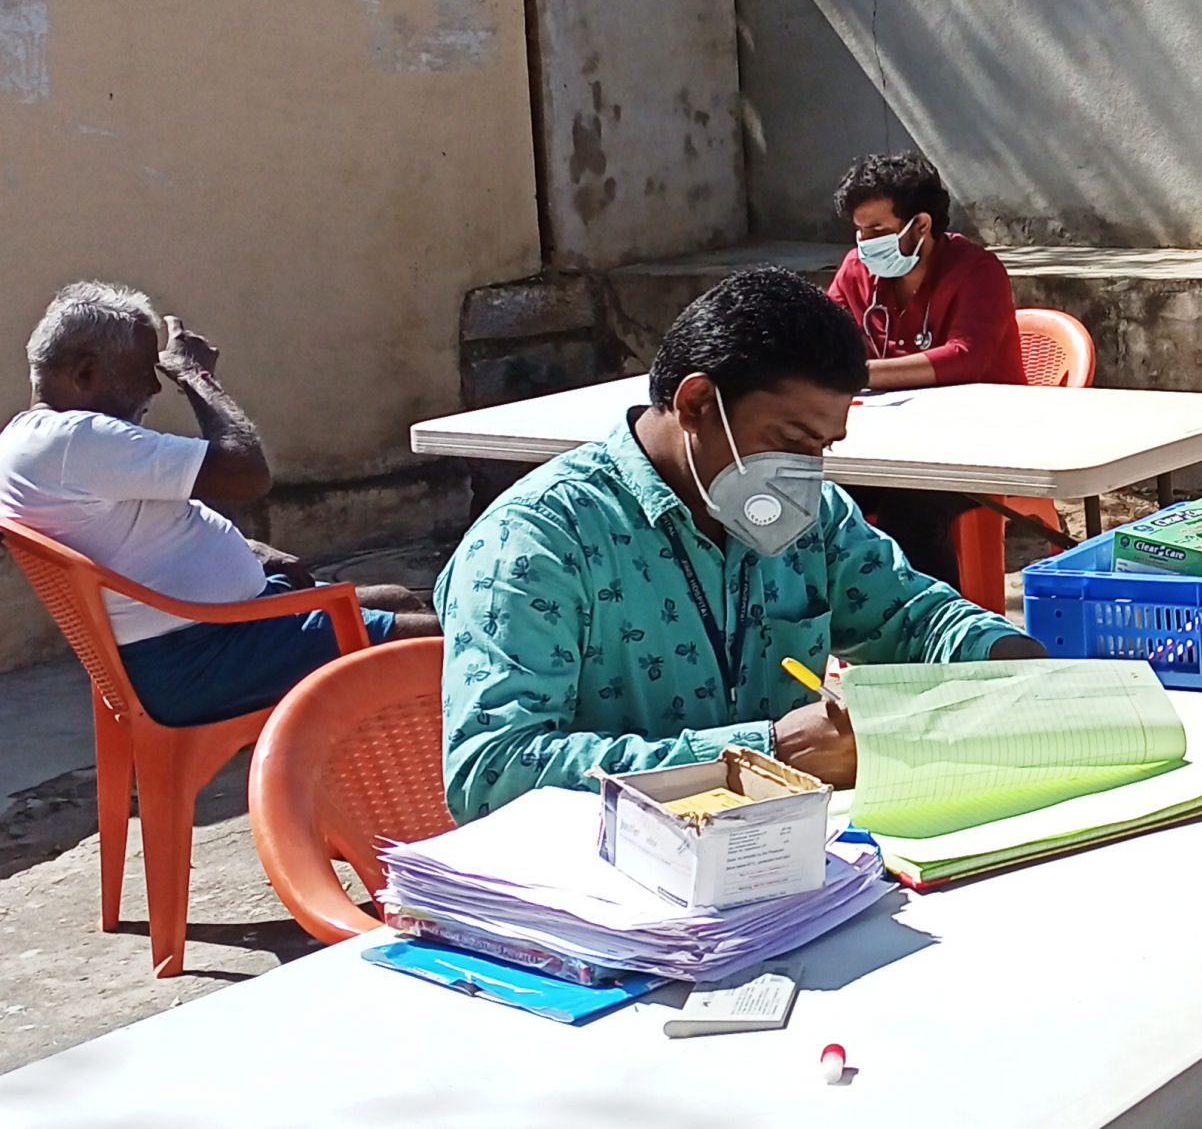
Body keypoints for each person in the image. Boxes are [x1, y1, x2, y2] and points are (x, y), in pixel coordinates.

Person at [438, 266, 1044, 822]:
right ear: (698, 404)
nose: (808, 473)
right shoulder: (538, 541)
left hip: (788, 867)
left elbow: (914, 619)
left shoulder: (811, 520)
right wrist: (766, 754)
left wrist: (1014, 662)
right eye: (792, 440)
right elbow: (491, 774)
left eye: (823, 448)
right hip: (609, 894)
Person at [0, 283, 435, 727]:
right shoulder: (79, 439)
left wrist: (247, 552)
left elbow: (128, 532)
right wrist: (196, 377)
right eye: (142, 372)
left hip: (204, 638)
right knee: (444, 643)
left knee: (398, 599)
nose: (154, 387)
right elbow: (246, 473)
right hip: (204, 654)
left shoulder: (28, 439)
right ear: (86, 374)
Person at [822, 150, 1025, 586]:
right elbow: (824, 336)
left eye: (878, 230)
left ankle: (933, 637)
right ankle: (847, 628)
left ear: (921, 226)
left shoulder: (977, 272)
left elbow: (964, 357)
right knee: (819, 496)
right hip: (890, 445)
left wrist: (861, 373)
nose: (865, 243)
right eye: (859, 231)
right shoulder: (858, 270)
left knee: (911, 510)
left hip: (975, 444)